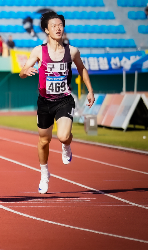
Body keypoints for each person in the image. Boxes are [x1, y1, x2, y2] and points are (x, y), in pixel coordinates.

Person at [19, 11, 94, 194]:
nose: (58, 28)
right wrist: (25, 72)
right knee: (44, 140)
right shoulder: (39, 51)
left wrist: (90, 90)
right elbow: (22, 71)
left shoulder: (72, 51)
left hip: (64, 100)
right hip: (44, 102)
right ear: (46, 30)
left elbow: (82, 69)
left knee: (62, 136)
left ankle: (66, 144)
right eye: (53, 25)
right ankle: (44, 173)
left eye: (60, 25)